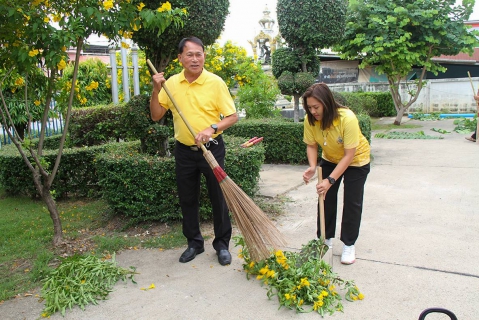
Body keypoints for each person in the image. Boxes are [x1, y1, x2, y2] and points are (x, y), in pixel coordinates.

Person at [150, 37, 238, 266]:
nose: (195, 59)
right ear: (180, 58)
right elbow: (156, 115)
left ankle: (222, 245)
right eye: (189, 54)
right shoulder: (171, 84)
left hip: (213, 149)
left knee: (219, 198)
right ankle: (194, 243)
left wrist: (212, 128)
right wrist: (156, 89)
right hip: (184, 152)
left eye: (199, 54)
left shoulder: (215, 82)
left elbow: (232, 116)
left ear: (204, 56)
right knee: (188, 198)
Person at [301, 83, 370, 265]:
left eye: (316, 107)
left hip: (356, 160)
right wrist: (313, 166)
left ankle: (349, 244)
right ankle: (324, 239)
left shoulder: (347, 118)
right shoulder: (310, 120)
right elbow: (311, 145)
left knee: (352, 202)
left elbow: (349, 155)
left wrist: (330, 180)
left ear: (327, 103)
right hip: (331, 158)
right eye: (309, 107)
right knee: (325, 197)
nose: (313, 111)